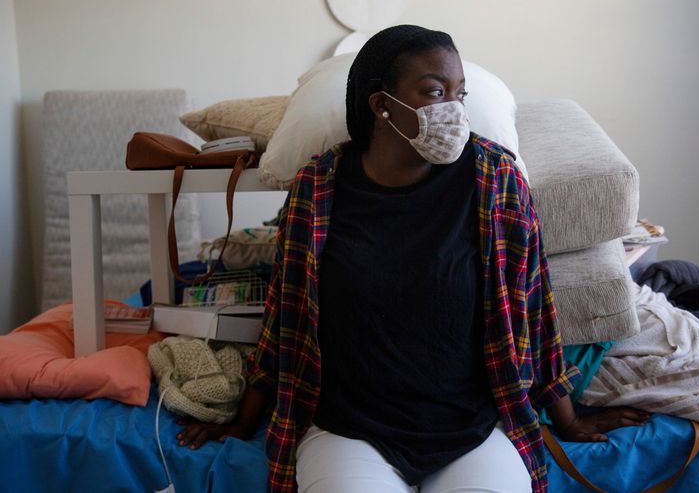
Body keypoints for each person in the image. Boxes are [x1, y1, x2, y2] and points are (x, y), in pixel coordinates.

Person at [177, 25, 650, 493]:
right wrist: (241, 423)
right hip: (350, 430)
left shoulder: (496, 180)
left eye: (459, 94)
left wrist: (568, 420)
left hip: (472, 429)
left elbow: (534, 311)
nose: (453, 111)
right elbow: (286, 319)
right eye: (434, 92)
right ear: (382, 105)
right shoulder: (318, 190)